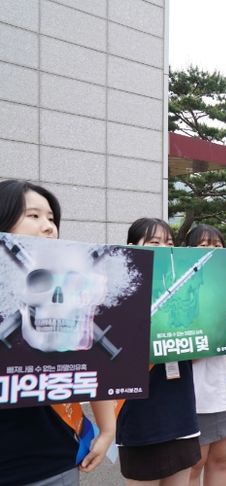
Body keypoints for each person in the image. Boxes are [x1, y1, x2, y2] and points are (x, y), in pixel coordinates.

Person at [0, 180, 116, 486]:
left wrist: (107, 430)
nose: (48, 226)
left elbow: (91, 363)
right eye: (34, 216)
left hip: (52, 457)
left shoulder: (74, 282)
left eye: (51, 218)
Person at [116, 218, 201, 484]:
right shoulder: (119, 294)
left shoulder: (183, 291)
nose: (164, 248)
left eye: (169, 242)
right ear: (132, 246)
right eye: (154, 242)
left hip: (181, 408)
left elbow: (195, 355)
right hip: (141, 413)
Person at [185, 225, 226, 486]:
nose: (211, 251)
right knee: (193, 467)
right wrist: (209, 344)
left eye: (217, 246)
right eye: (203, 246)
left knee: (221, 462)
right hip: (197, 392)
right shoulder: (180, 294)